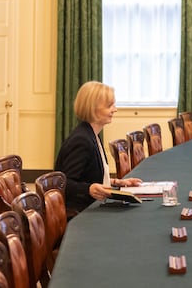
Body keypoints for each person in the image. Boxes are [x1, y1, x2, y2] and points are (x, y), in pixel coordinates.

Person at [55, 81, 142, 215]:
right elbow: (63, 183)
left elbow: (89, 175)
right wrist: (89, 189)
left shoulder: (91, 133)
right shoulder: (81, 140)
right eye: (109, 106)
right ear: (93, 108)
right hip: (81, 214)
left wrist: (115, 182)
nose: (115, 109)